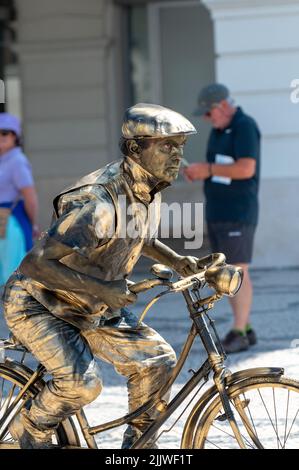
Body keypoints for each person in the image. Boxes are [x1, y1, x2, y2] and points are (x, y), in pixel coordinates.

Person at [3, 103, 202, 449]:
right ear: (135, 149)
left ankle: (141, 444)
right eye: (167, 146)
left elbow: (135, 234)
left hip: (91, 304)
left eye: (180, 146)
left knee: (156, 360)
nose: (177, 155)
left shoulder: (148, 187)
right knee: (82, 384)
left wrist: (177, 259)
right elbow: (34, 264)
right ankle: (30, 430)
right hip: (38, 302)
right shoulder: (98, 203)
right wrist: (103, 288)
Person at [184, 84, 261, 354]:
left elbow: (246, 167)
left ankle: (238, 331)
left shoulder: (244, 126)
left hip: (238, 212)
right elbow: (218, 170)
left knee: (237, 272)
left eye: (208, 113)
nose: (207, 119)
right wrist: (201, 172)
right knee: (231, 271)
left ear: (223, 106)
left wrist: (206, 169)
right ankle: (246, 327)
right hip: (219, 211)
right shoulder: (219, 131)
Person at [0, 113, 39, 286]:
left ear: (15, 136)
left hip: (10, 222)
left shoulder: (17, 161)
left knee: (13, 277)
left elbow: (30, 197)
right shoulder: (3, 160)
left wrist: (33, 223)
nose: (0, 137)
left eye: (5, 132)